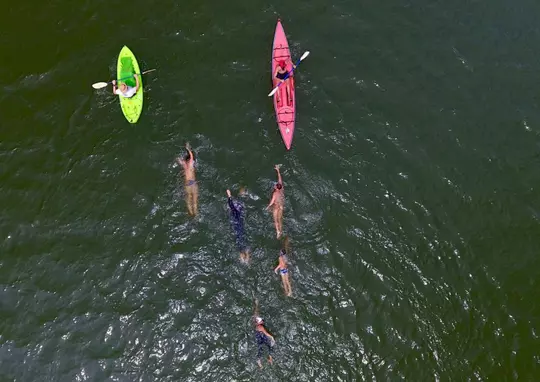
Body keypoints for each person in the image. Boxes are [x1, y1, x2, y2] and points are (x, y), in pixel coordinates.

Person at [226, 189, 250, 263]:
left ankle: (244, 259)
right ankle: (247, 259)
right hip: (240, 226)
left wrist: (229, 196)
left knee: (240, 244)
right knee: (242, 243)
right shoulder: (241, 210)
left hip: (238, 227)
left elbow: (231, 206)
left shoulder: (235, 213)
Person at [253, 297, 275, 368]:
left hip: (259, 336)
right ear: (259, 322)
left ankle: (262, 360)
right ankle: (268, 358)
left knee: (261, 347)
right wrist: (272, 337)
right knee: (269, 345)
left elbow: (256, 313)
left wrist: (257, 304)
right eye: (261, 321)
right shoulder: (261, 327)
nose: (262, 321)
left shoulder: (256, 323)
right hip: (262, 335)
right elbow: (266, 333)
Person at [177, 143, 198, 216]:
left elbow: (179, 160)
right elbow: (191, 155)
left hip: (187, 184)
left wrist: (178, 158)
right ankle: (196, 215)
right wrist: (188, 148)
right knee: (195, 201)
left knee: (189, 200)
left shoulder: (184, 165)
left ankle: (191, 213)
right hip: (193, 183)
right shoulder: (191, 164)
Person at [266, 165, 284, 238]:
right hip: (281, 206)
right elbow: (280, 179)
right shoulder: (282, 189)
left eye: (275, 186)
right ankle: (281, 230)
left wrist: (267, 207)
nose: (275, 186)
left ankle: (278, 232)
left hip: (276, 207)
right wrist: (278, 171)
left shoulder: (275, 193)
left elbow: (272, 202)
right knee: (280, 219)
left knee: (275, 220)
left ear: (276, 188)